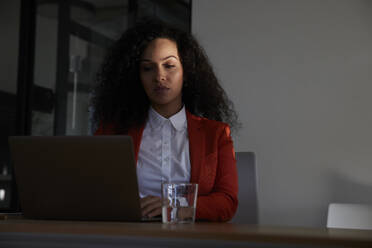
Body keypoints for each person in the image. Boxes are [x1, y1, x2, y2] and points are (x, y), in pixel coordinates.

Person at [92, 20, 239, 222]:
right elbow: (94, 195)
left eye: (169, 65)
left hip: (192, 240)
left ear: (186, 72)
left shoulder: (216, 134)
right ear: (137, 77)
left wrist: (176, 206)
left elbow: (227, 202)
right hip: (128, 237)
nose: (159, 76)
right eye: (147, 68)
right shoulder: (112, 131)